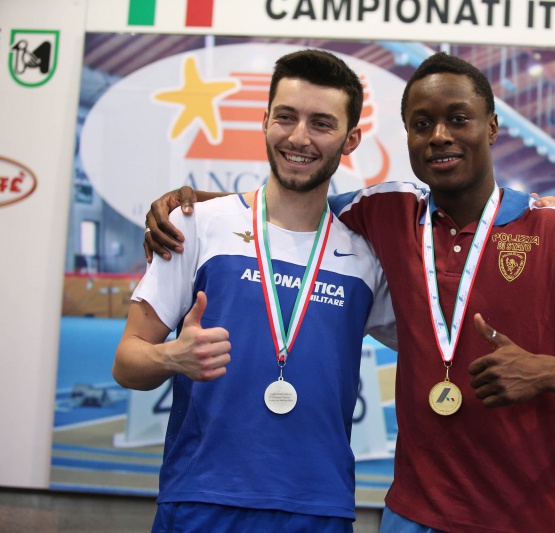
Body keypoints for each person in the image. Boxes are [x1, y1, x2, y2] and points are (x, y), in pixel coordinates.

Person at [146, 52, 555, 532]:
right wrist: (191, 206)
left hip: (528, 517)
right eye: (421, 123)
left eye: (459, 119)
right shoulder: (385, 211)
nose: (439, 136)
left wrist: (544, 372)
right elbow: (291, 201)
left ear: (492, 127)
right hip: (412, 515)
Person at [113, 49, 396, 532]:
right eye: (286, 117)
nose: (299, 137)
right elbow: (126, 362)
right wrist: (170, 358)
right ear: (264, 121)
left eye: (321, 124)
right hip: (202, 500)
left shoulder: (367, 256)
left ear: (351, 139)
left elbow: (431, 345)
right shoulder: (196, 226)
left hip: (319, 508)